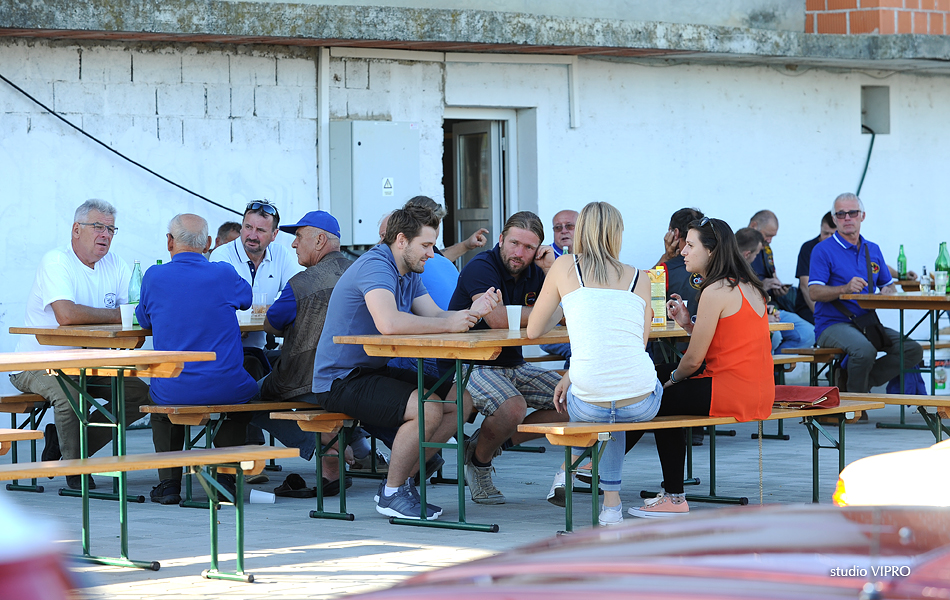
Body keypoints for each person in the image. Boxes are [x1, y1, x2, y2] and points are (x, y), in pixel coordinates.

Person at [311, 202, 500, 520]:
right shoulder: (376, 265)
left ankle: (400, 483)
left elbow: (436, 315)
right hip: (338, 379)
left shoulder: (408, 269)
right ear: (401, 240)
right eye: (426, 245)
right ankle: (393, 492)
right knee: (428, 408)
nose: (432, 253)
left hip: (371, 370)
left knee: (460, 400)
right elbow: (389, 323)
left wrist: (473, 312)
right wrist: (451, 324)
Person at [627, 217, 775, 518]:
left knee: (654, 397)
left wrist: (671, 380)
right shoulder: (747, 285)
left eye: (691, 245)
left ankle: (669, 495)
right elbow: (724, 343)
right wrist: (687, 324)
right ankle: (599, 467)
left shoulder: (715, 290)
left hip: (730, 389)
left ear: (711, 251)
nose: (683, 251)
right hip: (755, 389)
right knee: (651, 376)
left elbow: (694, 360)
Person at [527, 202, 662, 527]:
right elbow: (637, 344)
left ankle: (570, 466)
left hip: (588, 401)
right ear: (617, 234)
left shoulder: (563, 266)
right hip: (641, 403)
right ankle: (610, 506)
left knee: (603, 406)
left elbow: (534, 330)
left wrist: (567, 303)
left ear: (582, 231)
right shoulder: (639, 277)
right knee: (616, 407)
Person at [10, 199, 150, 490]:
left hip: (90, 364)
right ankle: (76, 471)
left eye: (111, 229)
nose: (105, 235)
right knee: (69, 395)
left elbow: (138, 311)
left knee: (141, 394)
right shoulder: (56, 261)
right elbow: (67, 315)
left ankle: (69, 451)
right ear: (76, 230)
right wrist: (119, 314)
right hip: (36, 362)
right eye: (98, 227)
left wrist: (127, 315)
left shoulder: (115, 264)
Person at [443, 211, 567, 505]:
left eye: (528, 247)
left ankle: (488, 445)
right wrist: (547, 313)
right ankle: (480, 463)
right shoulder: (481, 267)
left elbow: (570, 312)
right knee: (513, 408)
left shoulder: (538, 271)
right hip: (469, 364)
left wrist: (553, 271)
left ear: (538, 249)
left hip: (513, 364)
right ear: (500, 239)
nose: (519, 253)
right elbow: (497, 318)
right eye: (514, 243)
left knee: (576, 399)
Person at [136, 214, 260, 504]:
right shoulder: (224, 273)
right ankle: (225, 477)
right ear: (208, 244)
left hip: (174, 388)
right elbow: (247, 299)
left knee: (160, 402)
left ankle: (169, 484)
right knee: (245, 393)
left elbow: (144, 319)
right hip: (226, 387)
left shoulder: (154, 276)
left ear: (169, 242)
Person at [248, 210, 356, 493]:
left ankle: (325, 446)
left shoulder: (301, 283)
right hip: (356, 375)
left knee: (244, 398)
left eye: (298, 236)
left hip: (307, 378)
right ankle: (349, 448)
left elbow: (272, 324)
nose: (294, 244)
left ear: (320, 240)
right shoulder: (361, 271)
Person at [808, 193, 923, 393]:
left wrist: (887, 292)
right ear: (834, 219)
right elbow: (814, 292)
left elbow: (890, 287)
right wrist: (844, 288)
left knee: (912, 350)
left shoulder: (873, 249)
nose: (847, 218)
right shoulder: (823, 250)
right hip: (832, 324)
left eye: (852, 213)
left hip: (866, 323)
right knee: (864, 350)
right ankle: (856, 401)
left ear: (862, 216)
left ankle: (855, 382)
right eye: (841, 214)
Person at [209, 199, 302, 359]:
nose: (252, 235)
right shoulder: (222, 255)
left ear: (274, 235)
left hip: (262, 348)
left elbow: (297, 294)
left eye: (260, 230)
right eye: (248, 227)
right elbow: (220, 306)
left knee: (300, 360)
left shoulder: (281, 253)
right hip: (226, 350)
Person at [748, 210, 815, 352]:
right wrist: (762, 287)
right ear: (754, 226)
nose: (769, 240)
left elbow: (772, 275)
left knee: (808, 333)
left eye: (772, 237)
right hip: (750, 311)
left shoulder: (767, 250)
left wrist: (778, 288)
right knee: (774, 335)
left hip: (772, 308)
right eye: (768, 235)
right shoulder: (737, 249)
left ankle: (776, 365)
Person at [539, 209, 578, 365]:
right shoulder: (542, 256)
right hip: (551, 327)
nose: (563, 231)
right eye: (557, 227)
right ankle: (571, 382)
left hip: (583, 325)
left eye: (569, 226)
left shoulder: (591, 257)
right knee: (577, 349)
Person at [795, 211, 837, 323]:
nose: (828, 238)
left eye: (833, 235)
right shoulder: (808, 248)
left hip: (836, 308)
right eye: (825, 233)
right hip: (809, 308)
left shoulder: (845, 250)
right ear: (820, 228)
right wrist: (820, 316)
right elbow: (805, 286)